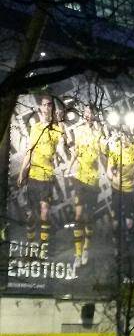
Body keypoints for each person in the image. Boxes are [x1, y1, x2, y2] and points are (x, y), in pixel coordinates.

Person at [17, 96, 66, 244]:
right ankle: (30, 244)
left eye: (49, 105)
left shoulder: (57, 129)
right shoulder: (35, 128)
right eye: (44, 105)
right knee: (31, 213)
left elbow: (63, 145)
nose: (46, 107)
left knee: (45, 211)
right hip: (33, 175)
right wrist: (22, 172)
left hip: (47, 176)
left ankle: (43, 247)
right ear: (40, 107)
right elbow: (29, 151)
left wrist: (60, 122)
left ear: (52, 108)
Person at [69, 104, 106, 265]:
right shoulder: (78, 131)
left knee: (89, 217)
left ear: (94, 115)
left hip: (93, 180)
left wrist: (109, 171)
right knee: (78, 216)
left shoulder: (99, 133)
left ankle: (86, 249)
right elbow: (76, 151)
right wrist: (69, 167)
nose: (87, 115)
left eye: (90, 112)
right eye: (85, 112)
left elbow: (102, 155)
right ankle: (77, 254)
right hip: (80, 178)